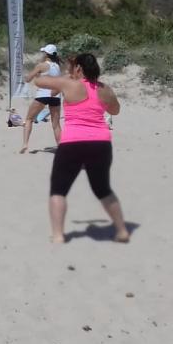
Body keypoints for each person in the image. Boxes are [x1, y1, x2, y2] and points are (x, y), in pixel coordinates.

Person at [33, 53, 131, 245]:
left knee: (58, 190)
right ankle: (121, 230)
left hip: (73, 142)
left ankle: (58, 235)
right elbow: (115, 111)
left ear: (78, 69)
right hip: (101, 143)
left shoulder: (69, 84)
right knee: (103, 189)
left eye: (73, 67)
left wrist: (66, 77)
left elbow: (39, 82)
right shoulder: (105, 89)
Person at [21, 44, 63, 153]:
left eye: (44, 53)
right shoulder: (58, 66)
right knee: (56, 124)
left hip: (43, 95)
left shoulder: (42, 65)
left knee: (29, 119)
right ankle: (61, 147)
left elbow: (28, 79)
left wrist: (29, 76)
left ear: (46, 54)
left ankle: (25, 144)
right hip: (55, 96)